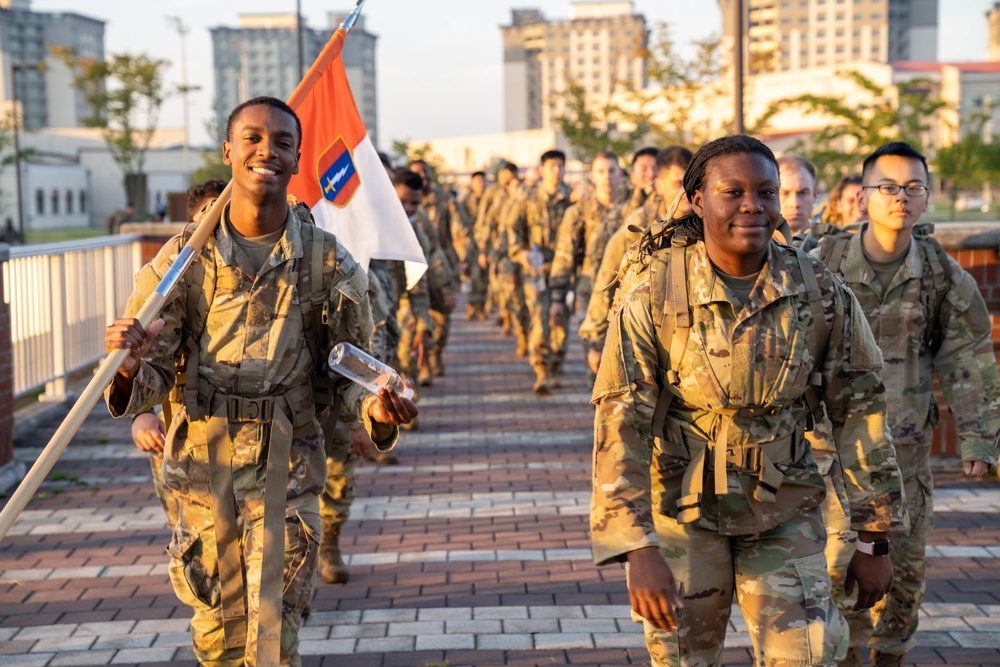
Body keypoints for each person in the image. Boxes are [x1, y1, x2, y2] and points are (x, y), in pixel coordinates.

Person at [104, 96, 417, 666]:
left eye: (281, 141)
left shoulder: (329, 264)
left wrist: (377, 410)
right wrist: (128, 367)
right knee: (217, 640)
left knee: (271, 640)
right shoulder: (181, 263)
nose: (266, 150)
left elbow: (351, 373)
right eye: (251, 138)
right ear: (229, 152)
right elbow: (151, 380)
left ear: (298, 159)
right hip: (202, 469)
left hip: (288, 467)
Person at [591, 135, 907, 667]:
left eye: (765, 191)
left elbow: (860, 414)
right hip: (682, 512)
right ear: (697, 199)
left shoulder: (818, 291)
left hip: (785, 507)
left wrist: (874, 538)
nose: (751, 206)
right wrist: (636, 547)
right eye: (731, 191)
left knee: (808, 656)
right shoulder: (654, 293)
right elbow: (621, 420)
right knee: (683, 660)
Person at [813, 141, 1000, 667]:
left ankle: (889, 658)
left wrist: (978, 435)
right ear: (862, 197)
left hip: (907, 464)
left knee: (904, 588)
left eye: (914, 187)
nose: (902, 197)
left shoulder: (940, 273)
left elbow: (968, 353)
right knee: (835, 582)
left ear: (927, 197)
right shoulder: (822, 263)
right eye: (888, 187)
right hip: (833, 464)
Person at [130, 178, 228, 530]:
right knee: (189, 544)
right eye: (209, 209)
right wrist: (141, 416)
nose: (220, 214)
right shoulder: (172, 269)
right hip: (179, 431)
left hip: (244, 437)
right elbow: (139, 352)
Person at [579, 146, 692, 377]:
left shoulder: (707, 220)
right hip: (641, 333)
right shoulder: (638, 225)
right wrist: (596, 340)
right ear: (659, 185)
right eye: (678, 184)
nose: (686, 192)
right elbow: (607, 279)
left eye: (692, 183)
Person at [506, 149, 572, 394]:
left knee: (561, 321)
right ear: (542, 170)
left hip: (564, 272)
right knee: (539, 320)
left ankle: (556, 363)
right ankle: (542, 370)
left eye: (560, 166)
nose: (556, 171)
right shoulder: (528, 198)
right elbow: (513, 228)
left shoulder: (572, 200)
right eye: (552, 167)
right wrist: (520, 253)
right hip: (536, 272)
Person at [549, 149, 623, 338]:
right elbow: (564, 256)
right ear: (592, 175)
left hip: (627, 290)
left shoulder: (632, 209)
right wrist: (558, 299)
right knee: (594, 352)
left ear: (620, 173)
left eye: (611, 170)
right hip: (590, 291)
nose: (606, 176)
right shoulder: (578, 212)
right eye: (600, 171)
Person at [460, 171, 489, 320]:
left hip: (487, 243)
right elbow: (461, 222)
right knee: (472, 275)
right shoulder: (466, 201)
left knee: (485, 277)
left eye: (483, 181)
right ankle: (471, 306)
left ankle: (482, 306)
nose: (481, 184)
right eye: (478, 181)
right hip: (471, 244)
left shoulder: (490, 200)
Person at [777, 154, 818, 246]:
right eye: (784, 193)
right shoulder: (753, 247)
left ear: (814, 195)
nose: (795, 203)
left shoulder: (833, 246)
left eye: (803, 193)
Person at [623, 146, 659, 218]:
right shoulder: (622, 205)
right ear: (632, 176)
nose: (651, 174)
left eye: (656, 168)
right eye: (643, 169)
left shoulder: (675, 205)